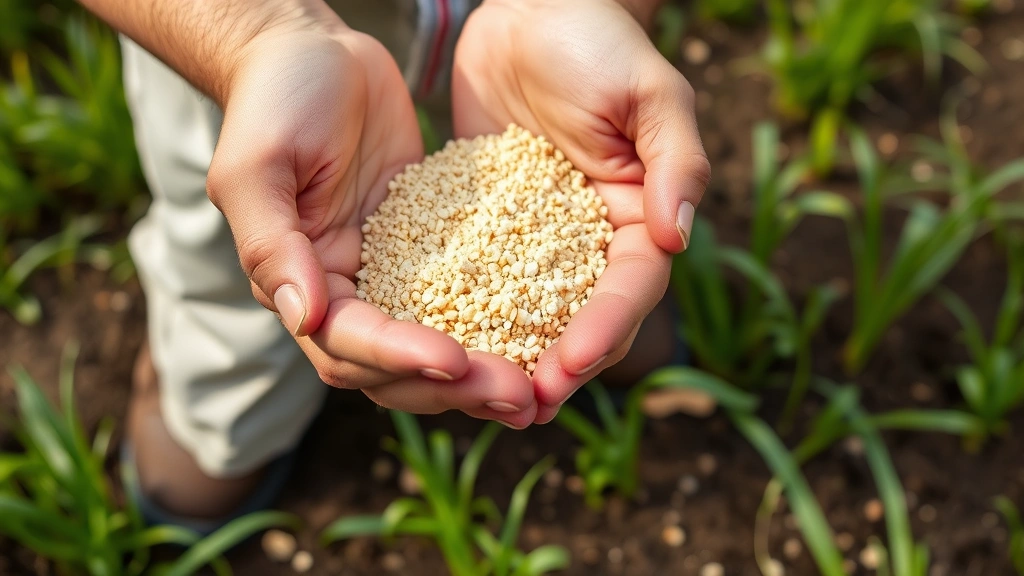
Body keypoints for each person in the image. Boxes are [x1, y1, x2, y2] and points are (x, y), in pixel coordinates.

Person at [78, 0, 710, 529]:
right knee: (242, 241)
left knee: (605, 269)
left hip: (531, 51)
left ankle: (604, 334)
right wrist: (255, 35)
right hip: (235, 46)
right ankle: (224, 400)